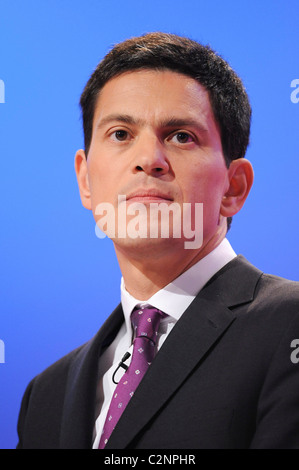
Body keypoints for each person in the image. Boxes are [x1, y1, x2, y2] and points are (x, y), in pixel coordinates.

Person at [17, 32, 299, 449]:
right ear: (85, 179)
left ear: (233, 187)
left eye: (181, 135)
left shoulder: (287, 327)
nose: (148, 159)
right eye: (120, 134)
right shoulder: (46, 393)